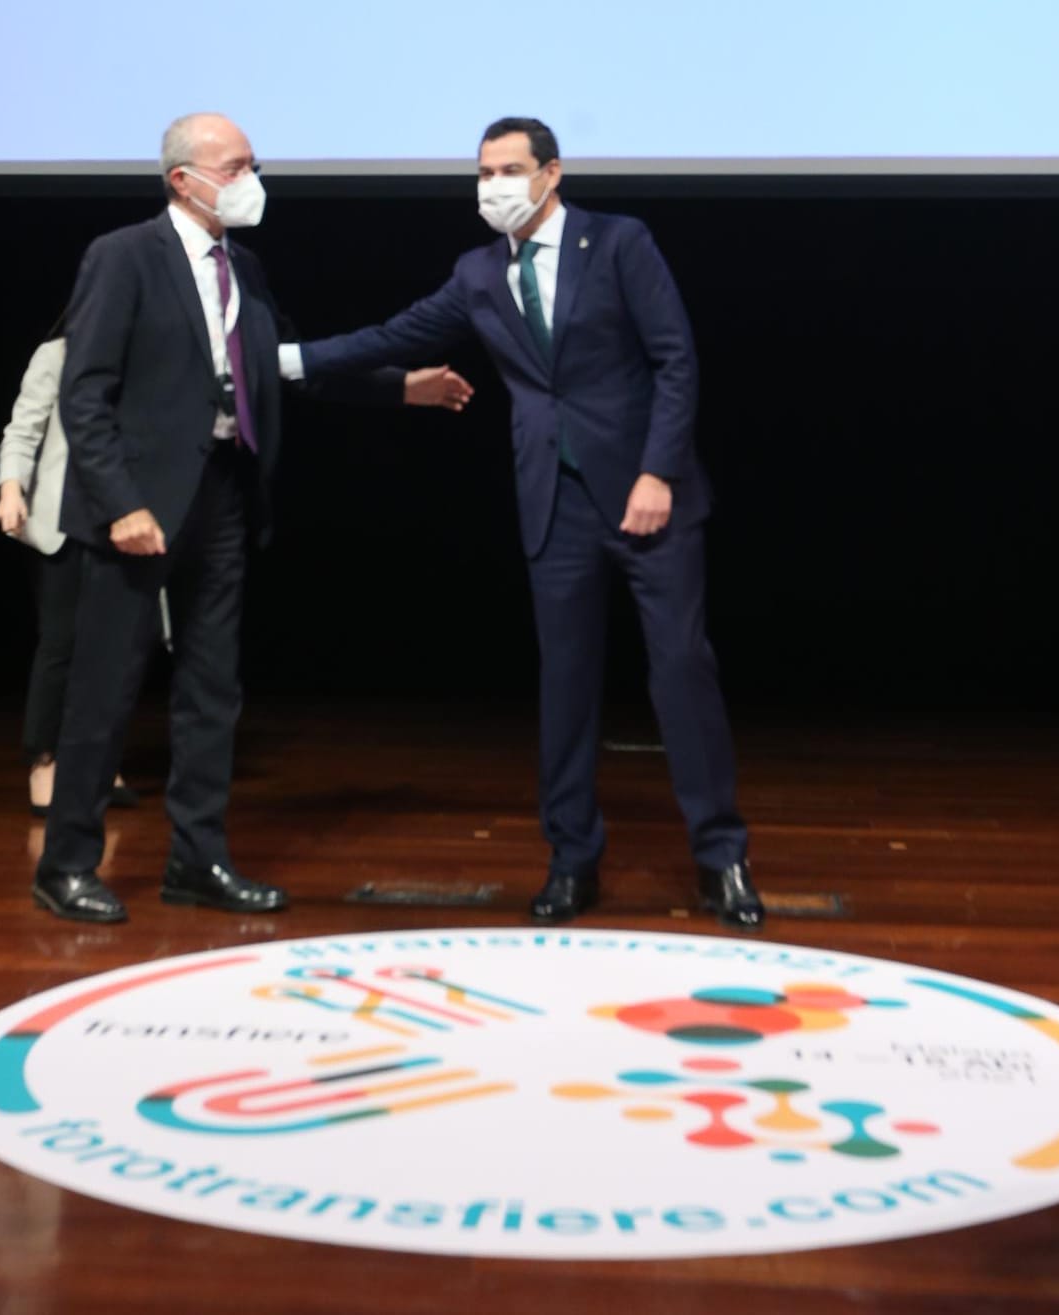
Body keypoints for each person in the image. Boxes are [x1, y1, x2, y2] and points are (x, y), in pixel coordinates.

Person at [283, 117, 763, 929]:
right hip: (555, 499)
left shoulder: (619, 243)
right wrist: (286, 360)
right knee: (565, 683)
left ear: (552, 173)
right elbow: (395, 335)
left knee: (681, 669)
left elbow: (675, 360)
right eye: (482, 173)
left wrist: (657, 471)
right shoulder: (477, 272)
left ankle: (722, 857)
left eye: (509, 169)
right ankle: (572, 857)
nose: (493, 186)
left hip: (647, 494)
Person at [34, 112, 472, 924]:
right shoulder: (124, 256)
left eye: (251, 164)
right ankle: (65, 865)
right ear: (184, 181)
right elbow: (84, 393)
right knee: (105, 690)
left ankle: (196, 860)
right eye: (235, 167)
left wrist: (397, 387)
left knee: (213, 691)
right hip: (139, 506)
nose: (250, 179)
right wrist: (121, 501)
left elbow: (282, 368)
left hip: (224, 495)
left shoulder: (248, 268)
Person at [0, 324, 143, 817]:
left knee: (115, 651)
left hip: (128, 519)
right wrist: (11, 488)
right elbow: (24, 428)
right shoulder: (57, 354)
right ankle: (44, 761)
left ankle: (97, 762)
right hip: (63, 518)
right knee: (61, 643)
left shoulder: (145, 358)